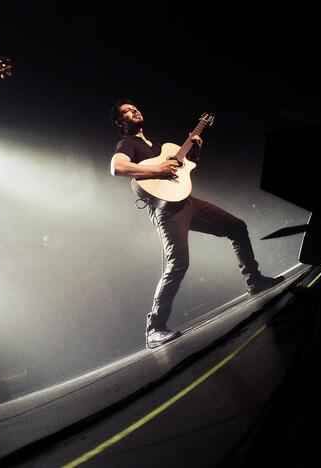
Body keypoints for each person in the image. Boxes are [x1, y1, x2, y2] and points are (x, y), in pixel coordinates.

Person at [109, 99, 283, 349]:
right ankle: (154, 328)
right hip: (167, 210)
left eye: (135, 107)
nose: (134, 110)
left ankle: (254, 279)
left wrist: (195, 150)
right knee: (179, 263)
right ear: (120, 121)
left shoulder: (157, 145)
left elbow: (183, 168)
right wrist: (158, 170)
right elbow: (117, 167)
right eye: (127, 111)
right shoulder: (128, 143)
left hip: (187, 202)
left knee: (237, 227)